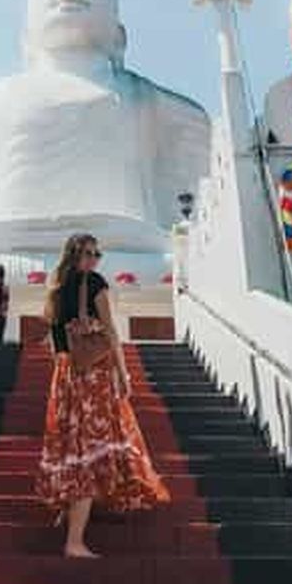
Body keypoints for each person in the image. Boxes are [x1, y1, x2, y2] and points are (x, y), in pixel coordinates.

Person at [35, 233, 170, 558]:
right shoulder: (94, 283)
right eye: (90, 253)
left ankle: (67, 515)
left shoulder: (56, 291)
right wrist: (123, 372)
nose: (95, 260)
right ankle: (74, 542)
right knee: (89, 449)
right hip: (92, 377)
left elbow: (56, 344)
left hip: (65, 377)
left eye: (97, 254)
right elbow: (110, 331)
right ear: (77, 255)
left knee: (73, 447)